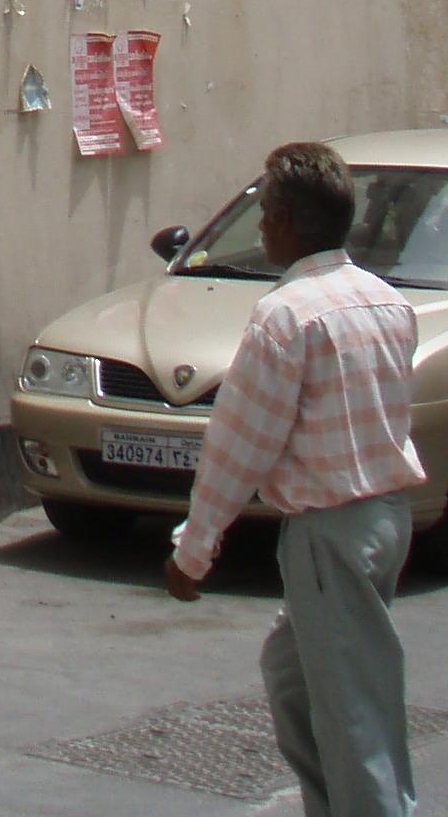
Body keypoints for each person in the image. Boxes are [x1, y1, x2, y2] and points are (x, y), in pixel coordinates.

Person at [165, 142, 426, 817]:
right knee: (293, 677)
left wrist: (195, 549)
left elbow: (240, 445)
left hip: (330, 531)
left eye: (266, 214)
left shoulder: (287, 317)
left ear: (285, 222)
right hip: (381, 521)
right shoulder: (384, 302)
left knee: (354, 715)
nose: (259, 230)